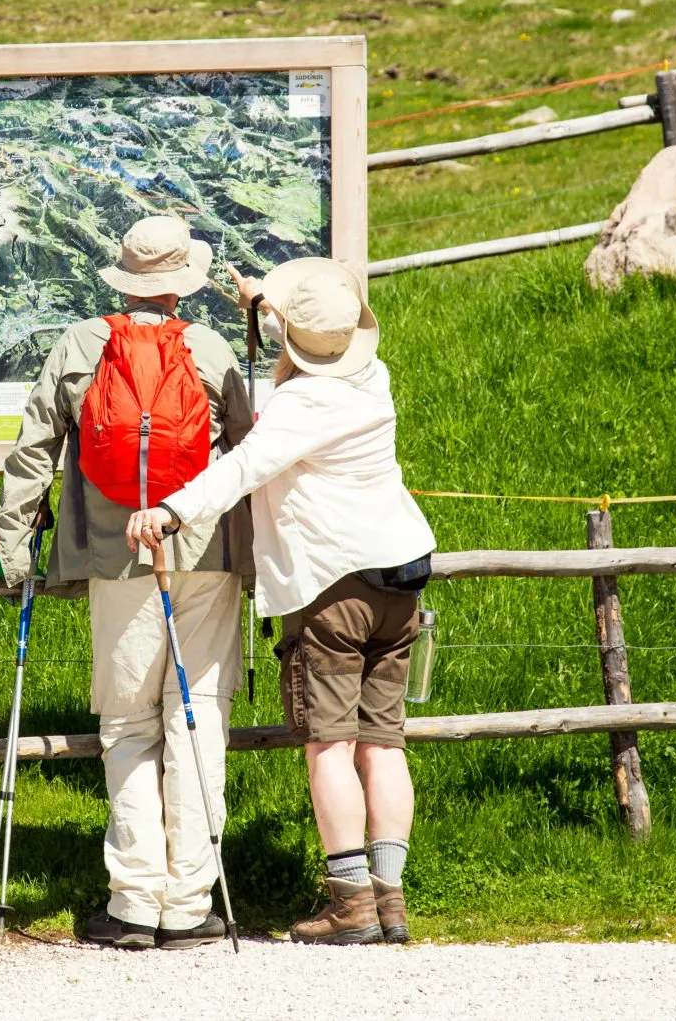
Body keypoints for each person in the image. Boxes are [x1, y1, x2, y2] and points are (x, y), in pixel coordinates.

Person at [127, 256, 436, 946]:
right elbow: (316, 339)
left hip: (334, 587)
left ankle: (349, 902)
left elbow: (241, 467)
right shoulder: (371, 377)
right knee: (384, 745)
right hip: (402, 571)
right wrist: (265, 301)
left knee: (331, 744)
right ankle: (391, 901)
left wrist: (170, 512)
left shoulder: (299, 407)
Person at [0, 215, 252, 951]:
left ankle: (135, 902)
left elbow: (33, 449)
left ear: (125, 275)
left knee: (129, 724)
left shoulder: (80, 345)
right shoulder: (208, 346)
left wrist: (15, 544)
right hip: (201, 553)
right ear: (181, 283)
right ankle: (192, 901)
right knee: (197, 713)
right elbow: (249, 447)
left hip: (113, 559)